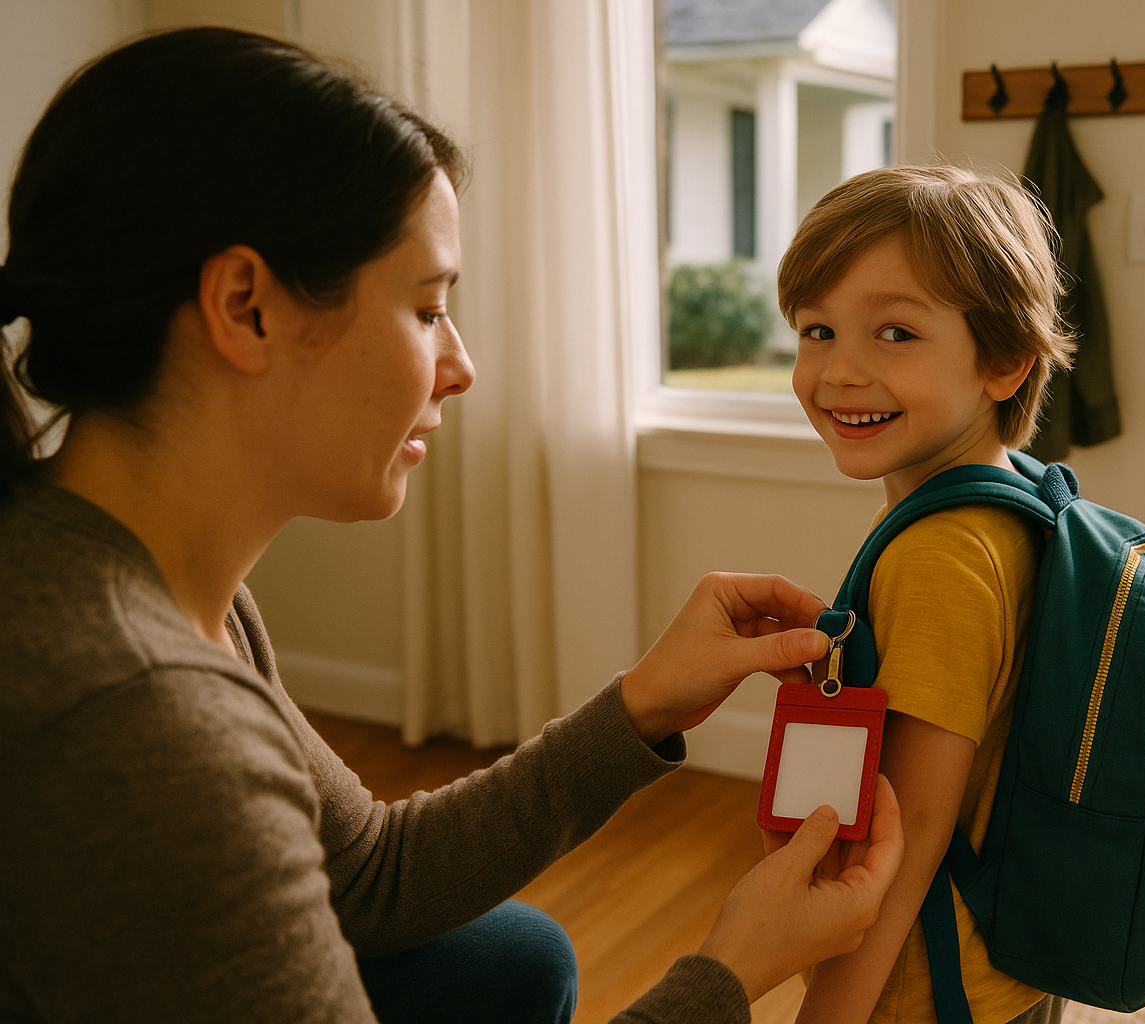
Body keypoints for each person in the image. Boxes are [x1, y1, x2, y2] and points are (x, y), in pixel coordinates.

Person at [0, 27, 902, 1024]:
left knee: (507, 957)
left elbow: (371, 872)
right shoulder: (138, 720)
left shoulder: (146, 582)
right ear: (245, 306)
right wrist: (733, 969)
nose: (461, 363)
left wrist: (644, 703)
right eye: (428, 308)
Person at [776, 166, 1077, 1024]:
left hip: (927, 991)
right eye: (818, 329)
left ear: (1007, 359)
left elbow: (909, 840)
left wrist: (827, 1016)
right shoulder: (1020, 498)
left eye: (896, 333)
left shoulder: (942, 555)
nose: (839, 371)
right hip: (1006, 960)